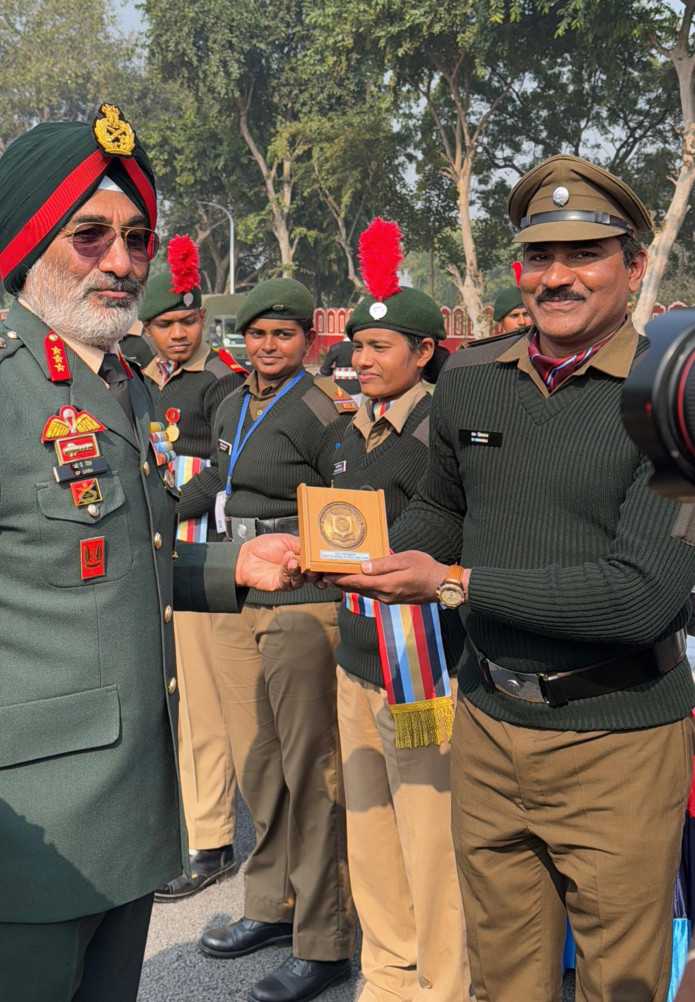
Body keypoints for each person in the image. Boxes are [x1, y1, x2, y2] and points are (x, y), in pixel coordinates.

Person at [0, 103, 304, 1002]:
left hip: (125, 818)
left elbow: (107, 560)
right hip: (12, 838)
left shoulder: (121, 383)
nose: (124, 260)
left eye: (136, 236)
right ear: (28, 246)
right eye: (89, 234)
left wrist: (234, 567)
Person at [324, 155, 695, 1002]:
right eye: (538, 256)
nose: (556, 276)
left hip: (616, 738)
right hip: (489, 724)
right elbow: (441, 505)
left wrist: (453, 582)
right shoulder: (470, 379)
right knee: (503, 977)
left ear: (635, 265)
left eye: (585, 254)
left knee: (621, 984)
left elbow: (641, 594)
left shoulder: (674, 395)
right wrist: (372, 560)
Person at [201, 278, 358, 1002]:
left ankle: (324, 941)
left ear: (309, 340)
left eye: (283, 334)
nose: (266, 345)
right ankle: (272, 904)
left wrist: (320, 565)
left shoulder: (325, 407)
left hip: (303, 595)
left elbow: (349, 503)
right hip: (237, 585)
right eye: (256, 333)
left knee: (311, 767)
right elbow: (215, 477)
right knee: (259, 762)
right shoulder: (232, 400)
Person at [332, 218, 468, 1002]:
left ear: (423, 352)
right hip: (355, 656)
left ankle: (442, 986)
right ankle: (386, 976)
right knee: (372, 831)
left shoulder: (439, 429)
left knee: (430, 838)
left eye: (379, 347)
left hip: (418, 662)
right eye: (357, 346)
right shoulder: (351, 431)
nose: (363, 359)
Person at [139, 233, 246, 901]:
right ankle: (173, 829)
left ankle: (210, 841)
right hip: (148, 548)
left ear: (203, 319)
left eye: (188, 321)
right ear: (145, 328)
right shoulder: (133, 376)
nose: (179, 334)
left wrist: (170, 503)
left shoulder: (223, 379)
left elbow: (225, 466)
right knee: (162, 696)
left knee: (202, 699)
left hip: (197, 542)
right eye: (165, 324)